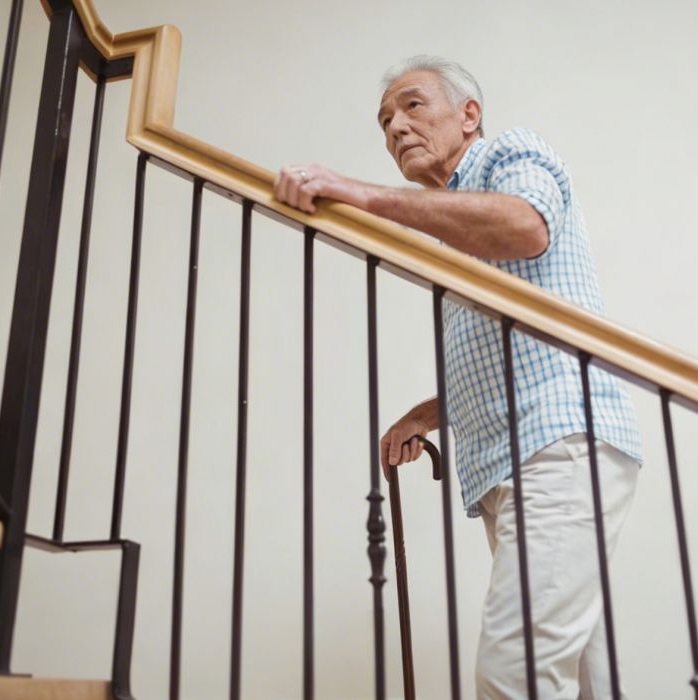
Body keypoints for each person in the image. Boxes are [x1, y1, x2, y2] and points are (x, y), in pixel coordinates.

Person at [274, 55, 644, 699]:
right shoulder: (452, 229)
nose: (395, 128)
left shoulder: (509, 152)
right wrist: (428, 412)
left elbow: (527, 228)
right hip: (512, 463)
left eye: (412, 106)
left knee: (513, 675)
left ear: (469, 114)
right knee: (585, 681)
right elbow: (513, 344)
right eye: (385, 121)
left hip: (558, 444)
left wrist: (361, 195)